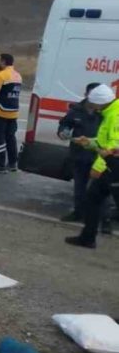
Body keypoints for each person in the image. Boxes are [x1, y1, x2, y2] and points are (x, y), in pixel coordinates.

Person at [65, 84, 119, 249]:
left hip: (114, 167)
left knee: (96, 198)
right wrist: (89, 142)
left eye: (93, 103)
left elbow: (114, 147)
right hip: (109, 166)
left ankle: (88, 237)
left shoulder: (115, 116)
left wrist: (98, 167)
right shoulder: (108, 113)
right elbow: (104, 142)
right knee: (93, 198)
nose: (92, 107)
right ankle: (87, 238)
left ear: (101, 103)